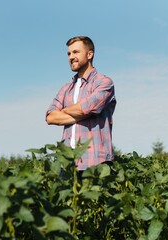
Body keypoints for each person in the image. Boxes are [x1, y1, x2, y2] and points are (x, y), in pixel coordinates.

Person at [46, 36, 116, 172]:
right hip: (67, 164)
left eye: (76, 52)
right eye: (69, 53)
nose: (71, 57)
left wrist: (64, 111)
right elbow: (50, 117)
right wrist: (82, 113)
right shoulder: (66, 88)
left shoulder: (104, 82)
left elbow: (87, 108)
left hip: (96, 161)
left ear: (90, 54)